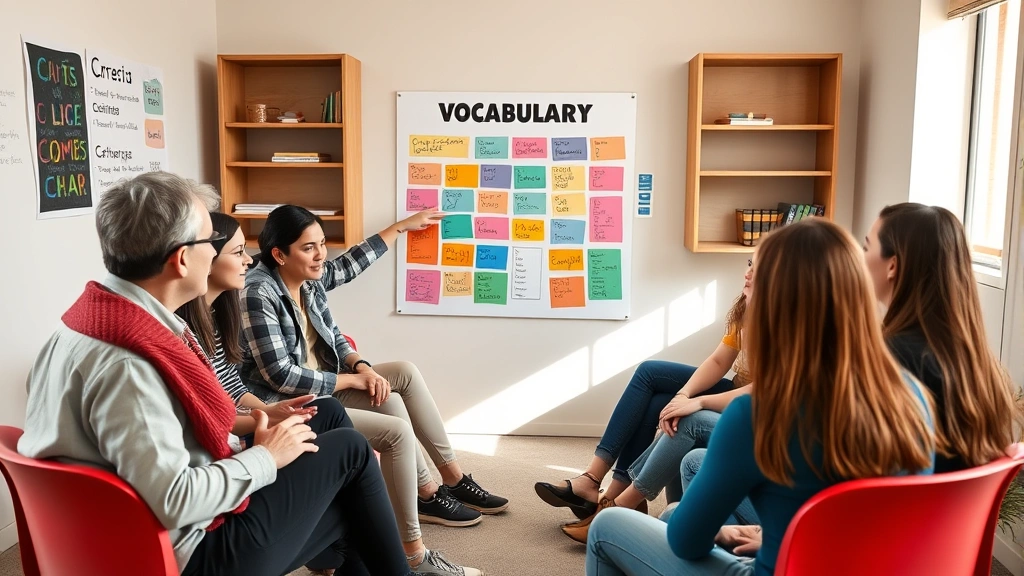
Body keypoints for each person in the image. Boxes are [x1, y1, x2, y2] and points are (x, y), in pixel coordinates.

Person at [19, 172, 413, 576]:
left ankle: (360, 558)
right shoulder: (130, 365)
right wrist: (264, 457)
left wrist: (247, 445)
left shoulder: (82, 323)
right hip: (194, 552)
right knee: (350, 455)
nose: (232, 255)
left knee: (329, 422)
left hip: (133, 525)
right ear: (182, 258)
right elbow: (175, 500)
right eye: (211, 241)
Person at [586, 217, 936, 576]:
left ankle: (616, 500)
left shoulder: (756, 416)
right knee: (676, 507)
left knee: (609, 527)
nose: (748, 282)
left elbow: (686, 542)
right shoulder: (911, 396)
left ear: (776, 304)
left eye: (757, 280)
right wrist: (769, 534)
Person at [239, 204, 506, 576]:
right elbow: (280, 375)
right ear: (279, 254)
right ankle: (414, 548)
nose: (321, 256)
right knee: (395, 430)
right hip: (289, 399)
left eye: (321, 244)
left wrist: (361, 366)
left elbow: (334, 329)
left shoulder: (309, 279)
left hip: (327, 381)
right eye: (309, 248)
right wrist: (351, 380)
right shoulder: (258, 292)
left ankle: (447, 481)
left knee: (401, 378)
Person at [536, 260, 754, 535]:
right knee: (650, 377)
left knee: (685, 416)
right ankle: (595, 481)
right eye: (749, 264)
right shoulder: (748, 308)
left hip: (757, 410)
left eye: (757, 268)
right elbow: (719, 360)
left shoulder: (793, 323)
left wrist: (697, 402)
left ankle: (615, 503)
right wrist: (683, 394)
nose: (747, 272)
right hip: (734, 390)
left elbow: (766, 392)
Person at [864, 202, 1020, 472]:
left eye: (866, 247)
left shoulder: (890, 358)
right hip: (957, 515)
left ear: (892, 266)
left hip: (905, 513)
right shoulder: (979, 364)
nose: (859, 256)